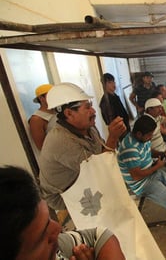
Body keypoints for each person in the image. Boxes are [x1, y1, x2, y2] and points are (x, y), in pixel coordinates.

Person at [0, 165, 125, 260]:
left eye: (48, 221)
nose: (59, 229)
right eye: (43, 237)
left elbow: (100, 235)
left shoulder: (57, 249)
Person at [39, 82, 126, 210]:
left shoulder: (87, 127)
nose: (93, 111)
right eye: (87, 107)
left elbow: (101, 152)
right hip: (64, 194)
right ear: (69, 113)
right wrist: (112, 137)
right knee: (109, 207)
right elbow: (98, 171)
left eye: (91, 105)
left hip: (84, 181)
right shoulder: (61, 140)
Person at [29, 84, 57, 150]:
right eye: (51, 95)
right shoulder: (36, 120)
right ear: (41, 98)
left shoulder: (58, 111)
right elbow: (42, 148)